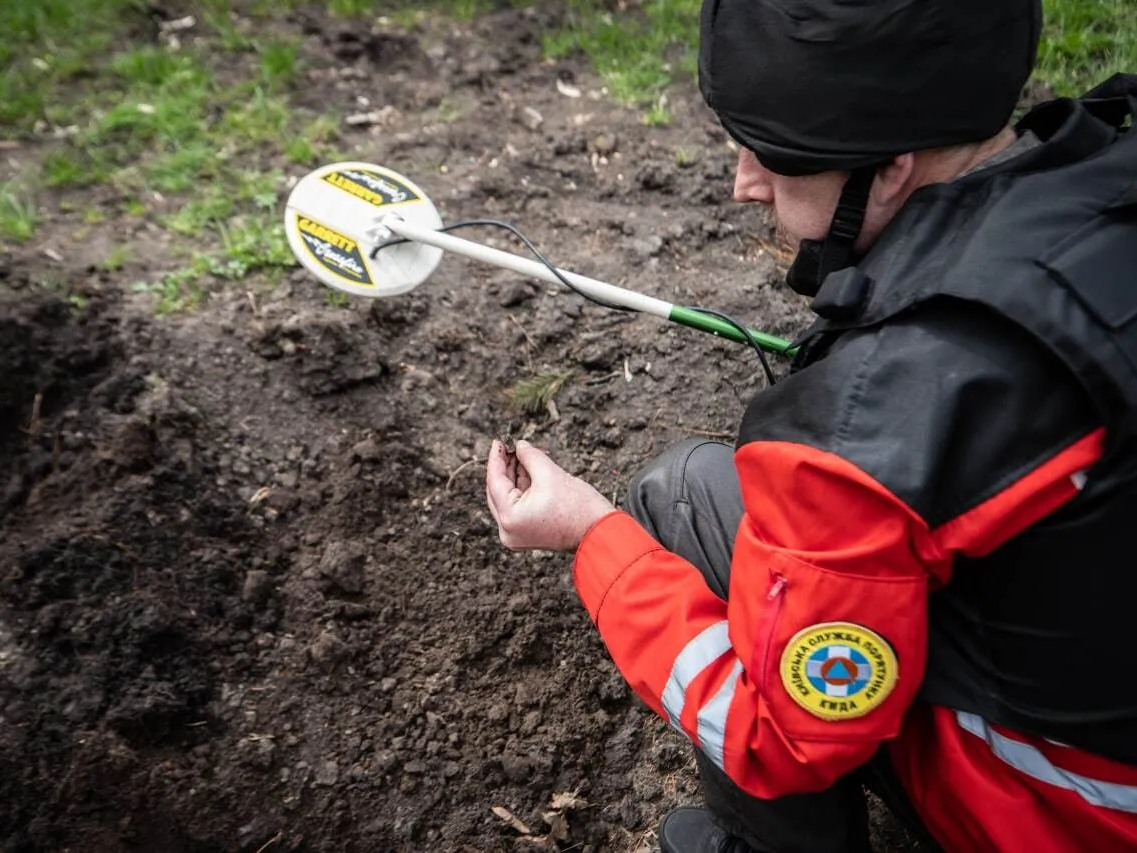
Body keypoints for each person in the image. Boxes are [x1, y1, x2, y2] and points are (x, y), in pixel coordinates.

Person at [484, 0, 1137, 850]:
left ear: (893, 168)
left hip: (1078, 812)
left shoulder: (869, 428)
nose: (743, 180)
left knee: (679, 498)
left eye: (778, 156)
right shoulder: (1106, 184)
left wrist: (590, 535)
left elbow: (779, 739)